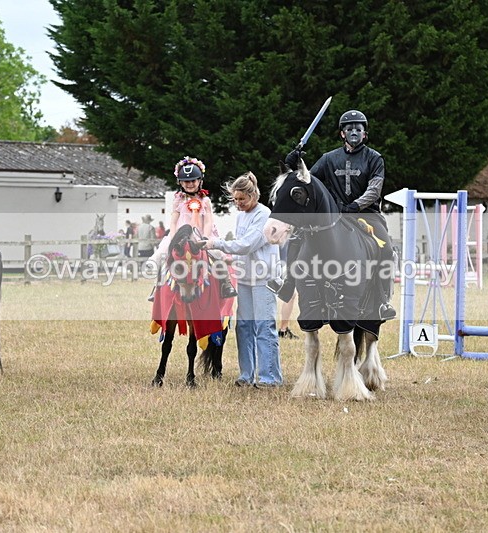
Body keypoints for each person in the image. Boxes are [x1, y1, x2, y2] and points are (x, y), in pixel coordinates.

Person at [286, 109, 397, 320]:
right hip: (334, 216)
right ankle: (288, 283)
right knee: (297, 236)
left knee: (387, 249)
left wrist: (356, 205)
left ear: (365, 134)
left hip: (367, 215)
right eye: (349, 128)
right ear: (342, 134)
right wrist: (294, 165)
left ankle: (383, 301)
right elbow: (308, 180)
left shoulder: (375, 159)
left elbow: (374, 189)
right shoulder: (328, 159)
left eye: (358, 128)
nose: (354, 132)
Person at [203, 171, 282, 388]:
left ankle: (269, 377)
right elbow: (240, 248)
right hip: (245, 278)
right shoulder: (241, 216)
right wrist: (229, 260)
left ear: (253, 195)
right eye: (235, 199)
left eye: (242, 199)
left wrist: (216, 243)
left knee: (264, 327)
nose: (238, 203)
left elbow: (248, 244)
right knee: (244, 327)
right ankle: (246, 375)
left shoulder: (264, 214)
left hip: (264, 278)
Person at [147, 156, 236, 300]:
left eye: (193, 180)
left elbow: (208, 221)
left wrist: (206, 237)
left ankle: (226, 284)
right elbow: (174, 221)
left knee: (218, 253)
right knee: (164, 248)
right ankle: (156, 286)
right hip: (181, 235)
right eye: (186, 181)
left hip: (202, 233)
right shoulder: (178, 200)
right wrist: (173, 237)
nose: (190, 184)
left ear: (200, 181)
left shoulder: (205, 200)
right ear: (180, 182)